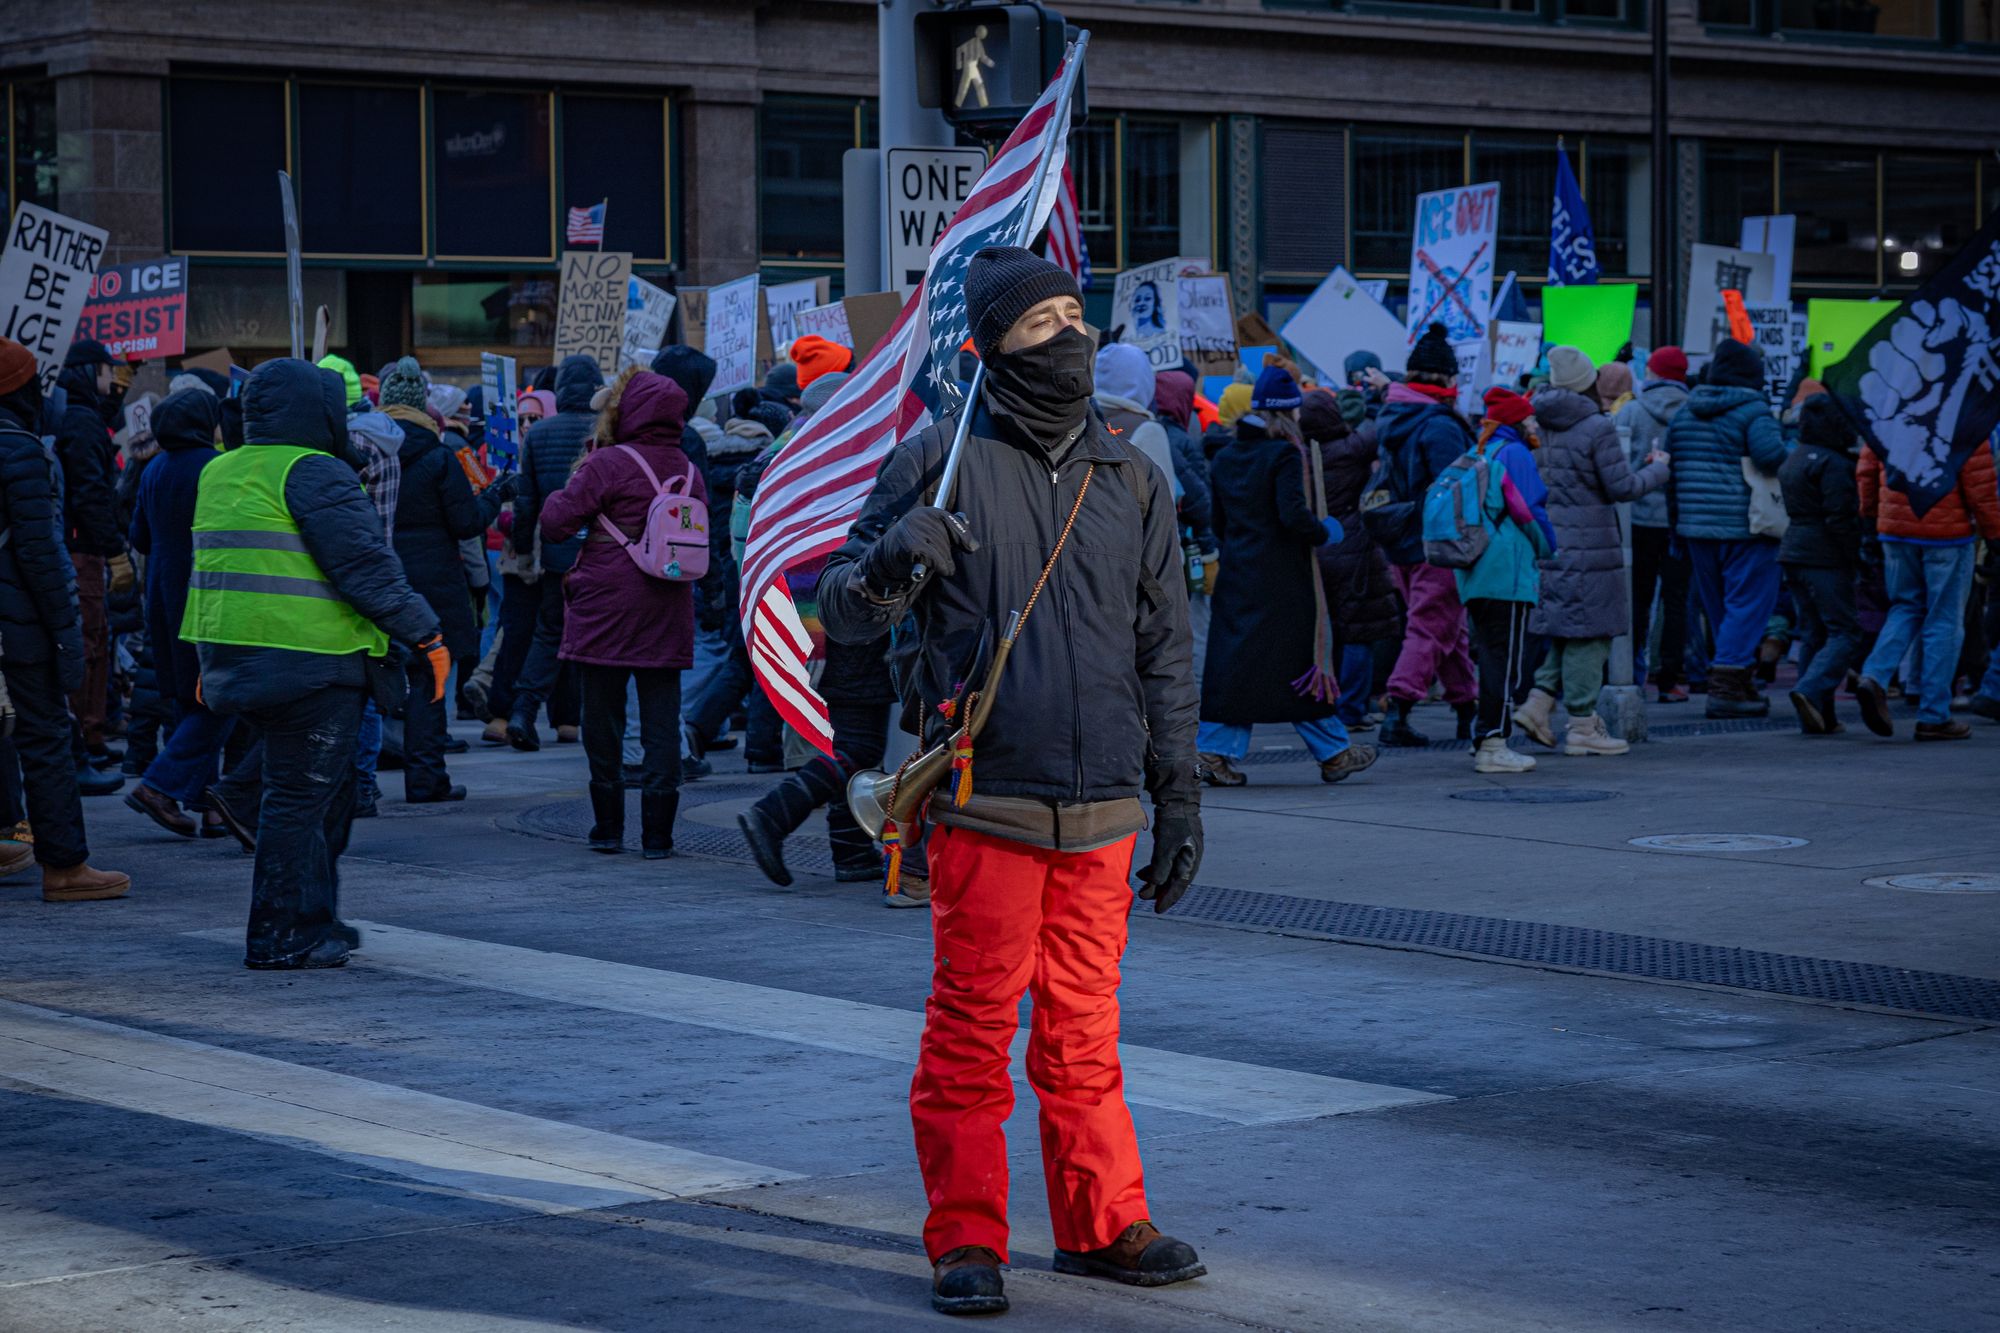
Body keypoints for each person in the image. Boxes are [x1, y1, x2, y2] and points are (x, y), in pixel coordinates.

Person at [819, 246, 1206, 1315]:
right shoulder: (936, 459)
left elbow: (1166, 648)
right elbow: (839, 611)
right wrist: (895, 559)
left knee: (1084, 1031)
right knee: (970, 1033)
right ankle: (966, 1239)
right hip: (986, 795)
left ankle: (1099, 1222)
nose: (1068, 335)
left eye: (1075, 315)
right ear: (989, 343)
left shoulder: (1130, 473)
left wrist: (1179, 795)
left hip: (1101, 804)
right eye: (1041, 323)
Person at [183, 359, 443, 969]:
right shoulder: (313, 471)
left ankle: (316, 916)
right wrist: (426, 633)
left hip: (237, 656)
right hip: (311, 659)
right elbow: (365, 567)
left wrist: (204, 655)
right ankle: (279, 933)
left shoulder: (222, 469)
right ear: (320, 412)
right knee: (299, 801)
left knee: (328, 796)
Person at [538, 371, 701, 856]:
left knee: (602, 719)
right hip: (667, 605)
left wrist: (563, 488)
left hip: (606, 605)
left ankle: (607, 828)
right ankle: (658, 835)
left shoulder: (607, 462)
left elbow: (555, 524)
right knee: (661, 723)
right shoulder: (688, 467)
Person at [1197, 368, 1376, 787]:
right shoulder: (1283, 455)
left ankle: (1214, 750)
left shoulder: (1224, 456)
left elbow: (1218, 521)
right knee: (1297, 664)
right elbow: (1292, 516)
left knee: (1237, 667)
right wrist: (1324, 531)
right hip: (1282, 580)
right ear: (1290, 412)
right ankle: (1334, 752)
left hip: (1238, 575)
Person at [0, 337, 130, 901]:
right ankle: (65, 867)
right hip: (17, 623)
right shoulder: (19, 448)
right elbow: (40, 553)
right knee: (45, 736)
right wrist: (66, 630)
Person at [1513, 350, 1669, 757]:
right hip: (1592, 545)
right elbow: (1622, 487)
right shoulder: (1596, 427)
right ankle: (1583, 726)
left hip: (1550, 540)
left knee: (1568, 628)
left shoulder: (1536, 421)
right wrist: (1658, 469)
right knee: (1593, 633)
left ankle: (1537, 704)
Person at [377, 358, 506, 802]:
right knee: (430, 679)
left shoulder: (369, 452)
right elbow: (467, 523)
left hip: (380, 578)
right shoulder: (439, 457)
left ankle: (359, 783)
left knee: (374, 678)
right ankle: (426, 778)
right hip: (433, 583)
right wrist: (496, 495)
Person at [125, 387, 234, 836]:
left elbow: (139, 537)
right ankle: (162, 786)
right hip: (206, 594)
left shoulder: (153, 469)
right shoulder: (216, 467)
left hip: (163, 595)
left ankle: (208, 804)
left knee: (188, 699)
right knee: (221, 697)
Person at [1852, 422, 2000, 741]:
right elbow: (1980, 483)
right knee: (1944, 620)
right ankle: (1934, 715)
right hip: (1948, 532)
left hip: (1894, 529)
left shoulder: (1890, 410)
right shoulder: (1964, 414)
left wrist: (1870, 517)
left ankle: (1875, 675)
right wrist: (1994, 535)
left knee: (1904, 607)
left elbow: (1866, 468)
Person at [1664, 337, 1787, 719]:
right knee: (1749, 604)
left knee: (1720, 608)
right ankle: (1728, 687)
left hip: (1695, 527)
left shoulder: (1684, 413)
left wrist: (1677, 525)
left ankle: (1737, 678)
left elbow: (1671, 470)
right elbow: (1771, 458)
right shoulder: (1754, 411)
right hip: (1745, 525)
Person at [1373, 322, 1479, 745]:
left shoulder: (1395, 415)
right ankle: (1397, 711)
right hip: (1438, 542)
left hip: (1401, 539)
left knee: (1446, 628)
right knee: (1430, 627)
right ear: (1448, 378)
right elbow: (1456, 489)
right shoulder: (1440, 424)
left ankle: (1466, 708)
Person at [1455, 388, 1555, 774]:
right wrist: (1551, 549)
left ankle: (1484, 737)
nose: (1534, 425)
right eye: (1529, 418)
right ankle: (1494, 743)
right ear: (1516, 421)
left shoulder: (1480, 450)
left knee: (1491, 654)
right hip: (1507, 570)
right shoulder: (1514, 453)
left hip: (1476, 568)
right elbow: (1532, 509)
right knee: (1506, 660)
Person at [507, 355, 603, 750]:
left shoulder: (541, 433)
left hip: (556, 552)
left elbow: (526, 501)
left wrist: (523, 548)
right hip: (599, 553)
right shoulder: (606, 429)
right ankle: (594, 723)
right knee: (600, 639)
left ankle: (523, 711)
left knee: (548, 634)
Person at [54, 339, 135, 770]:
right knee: (88, 644)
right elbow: (91, 493)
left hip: (82, 545)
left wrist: (119, 392)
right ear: (88, 372)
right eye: (108, 371)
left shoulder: (78, 415)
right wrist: (114, 550)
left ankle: (90, 735)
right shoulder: (81, 422)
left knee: (98, 643)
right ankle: (82, 741)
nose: (114, 377)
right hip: (82, 549)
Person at [1303, 389, 1400, 734]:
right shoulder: (1352, 448)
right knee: (1359, 631)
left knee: (1326, 633)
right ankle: (1352, 709)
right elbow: (1380, 428)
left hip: (1315, 544)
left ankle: (1324, 702)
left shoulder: (1298, 454)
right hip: (1354, 543)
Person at [1776, 395, 1865, 735]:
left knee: (1814, 631)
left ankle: (1817, 714)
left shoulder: (1794, 458)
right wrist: (1854, 554)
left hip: (1793, 551)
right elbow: (1840, 517)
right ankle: (1811, 691)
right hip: (1824, 556)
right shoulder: (1835, 463)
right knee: (1845, 631)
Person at [1616, 347, 1692, 702]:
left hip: (1639, 517)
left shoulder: (1631, 411)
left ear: (1653, 373)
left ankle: (1630, 673)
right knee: (1676, 600)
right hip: (1680, 519)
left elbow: (1619, 465)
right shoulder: (1692, 413)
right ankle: (1670, 678)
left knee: (1637, 598)